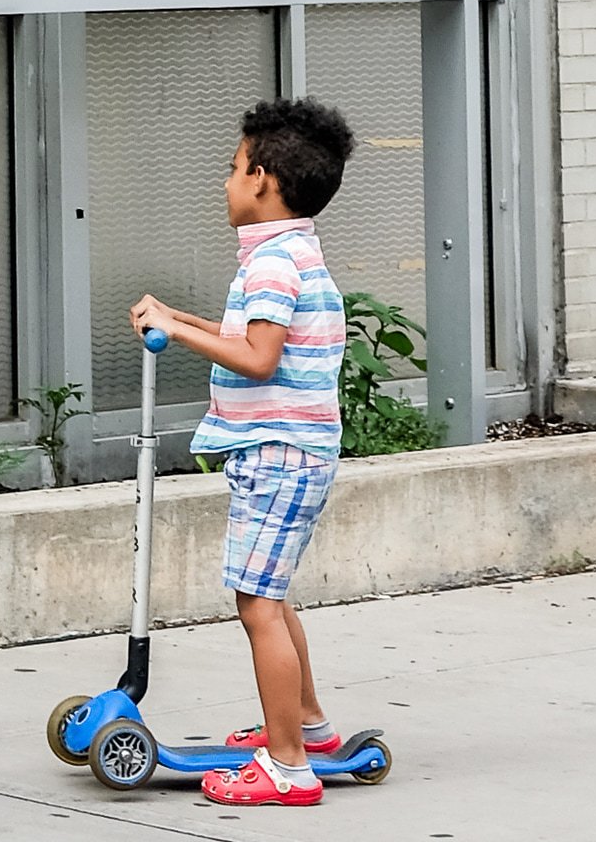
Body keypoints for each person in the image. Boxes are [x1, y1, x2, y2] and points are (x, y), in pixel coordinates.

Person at [130, 96, 355, 810]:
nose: (225, 183)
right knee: (272, 596)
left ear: (261, 178)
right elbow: (257, 341)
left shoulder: (272, 265)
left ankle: (288, 766)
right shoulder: (290, 252)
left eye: (232, 169)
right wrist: (180, 319)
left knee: (257, 604)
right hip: (296, 448)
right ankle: (309, 727)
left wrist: (180, 333)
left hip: (280, 451)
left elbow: (257, 359)